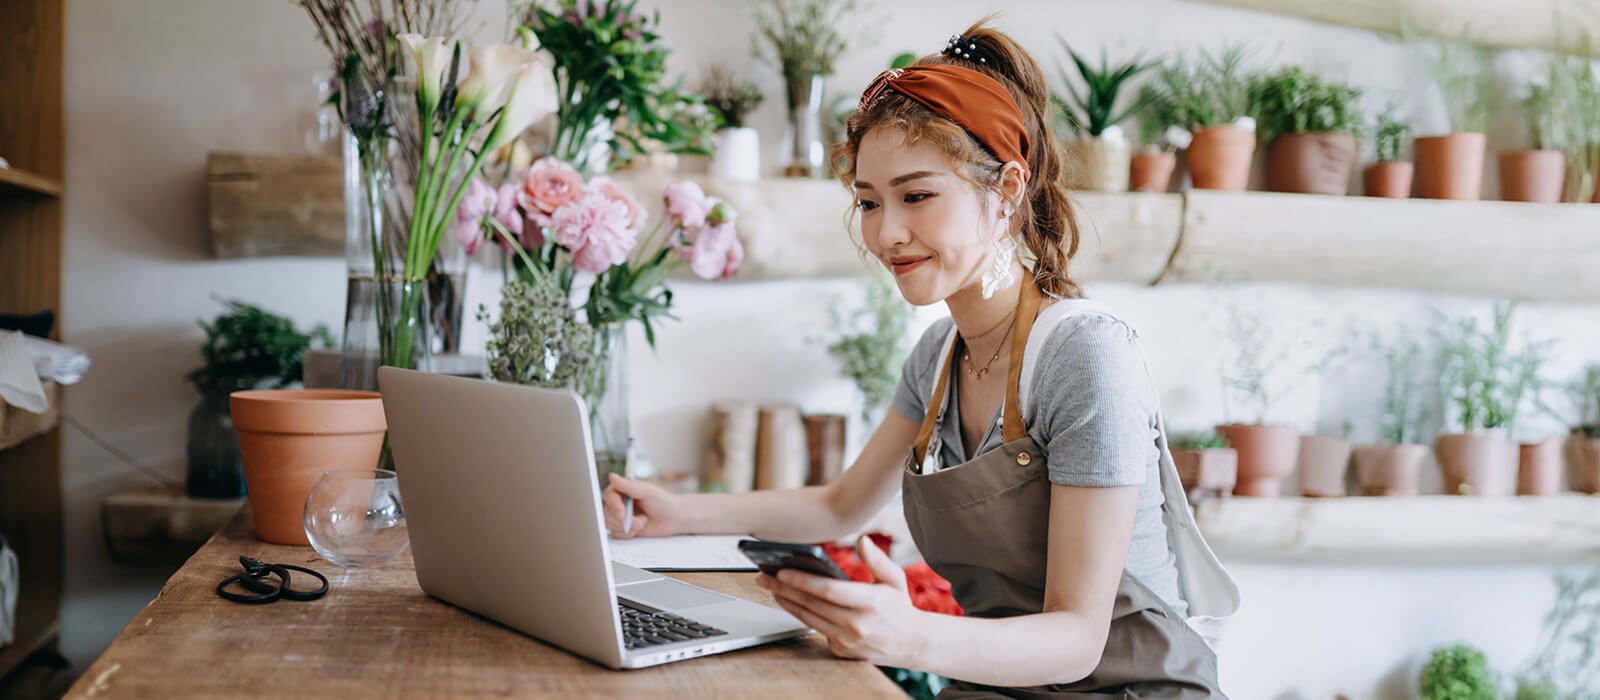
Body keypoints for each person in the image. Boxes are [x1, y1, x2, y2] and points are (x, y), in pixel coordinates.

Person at [602, 20, 1236, 698]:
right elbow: (838, 507)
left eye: (917, 195)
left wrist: (903, 635)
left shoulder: (1084, 356)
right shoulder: (938, 358)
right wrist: (677, 512)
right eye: (869, 202)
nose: (886, 232)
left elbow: (1077, 640)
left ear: (1009, 191)